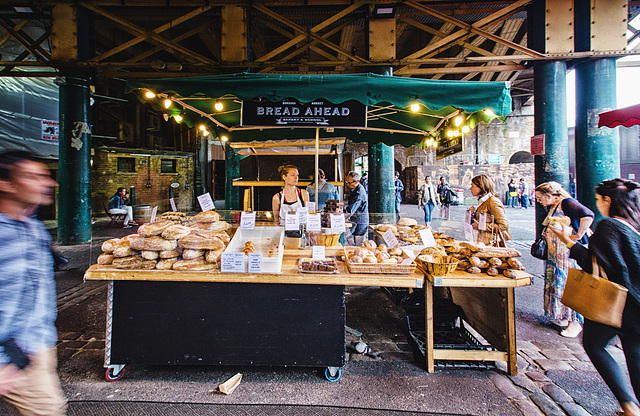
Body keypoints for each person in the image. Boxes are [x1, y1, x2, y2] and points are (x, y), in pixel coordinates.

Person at [549, 179, 640, 416]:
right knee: (634, 350)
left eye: (598, 199)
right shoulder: (635, 225)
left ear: (607, 200)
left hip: (616, 302)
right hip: (636, 304)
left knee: (594, 344)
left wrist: (568, 239)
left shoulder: (610, 226)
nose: (597, 204)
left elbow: (597, 265)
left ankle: (629, 405)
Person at [0, 151, 67, 415]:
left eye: (46, 176)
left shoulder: (34, 229)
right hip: (14, 351)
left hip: (38, 344)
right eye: (34, 177)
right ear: (6, 184)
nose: (49, 183)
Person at [535, 181, 595, 338]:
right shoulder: (554, 206)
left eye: (540, 197)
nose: (538, 200)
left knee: (569, 286)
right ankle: (562, 316)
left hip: (568, 254)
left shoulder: (567, 203)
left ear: (549, 195)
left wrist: (578, 236)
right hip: (556, 255)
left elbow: (588, 215)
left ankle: (575, 322)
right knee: (557, 283)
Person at [469, 174, 511, 245]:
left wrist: (480, 226)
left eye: (472, 186)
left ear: (481, 187)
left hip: (492, 244)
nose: (470, 188)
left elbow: (503, 225)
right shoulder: (483, 201)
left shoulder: (493, 202)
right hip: (484, 242)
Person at [344, 171, 369, 246]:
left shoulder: (359, 193)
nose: (347, 184)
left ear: (356, 182)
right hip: (355, 220)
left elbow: (350, 210)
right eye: (346, 182)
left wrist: (340, 214)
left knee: (359, 245)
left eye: (349, 183)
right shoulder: (354, 189)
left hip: (360, 222)